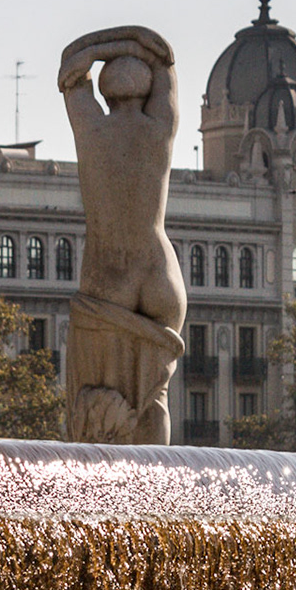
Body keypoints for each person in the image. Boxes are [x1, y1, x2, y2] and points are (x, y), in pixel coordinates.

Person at [58, 26, 187, 444]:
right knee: (156, 397)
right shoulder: (161, 127)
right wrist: (131, 46)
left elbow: (70, 66)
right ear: (147, 87)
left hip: (109, 272)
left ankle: (106, 501)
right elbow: (163, 56)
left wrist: (102, 49)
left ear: (106, 92)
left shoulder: (90, 128)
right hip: (160, 273)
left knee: (97, 409)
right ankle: (156, 496)